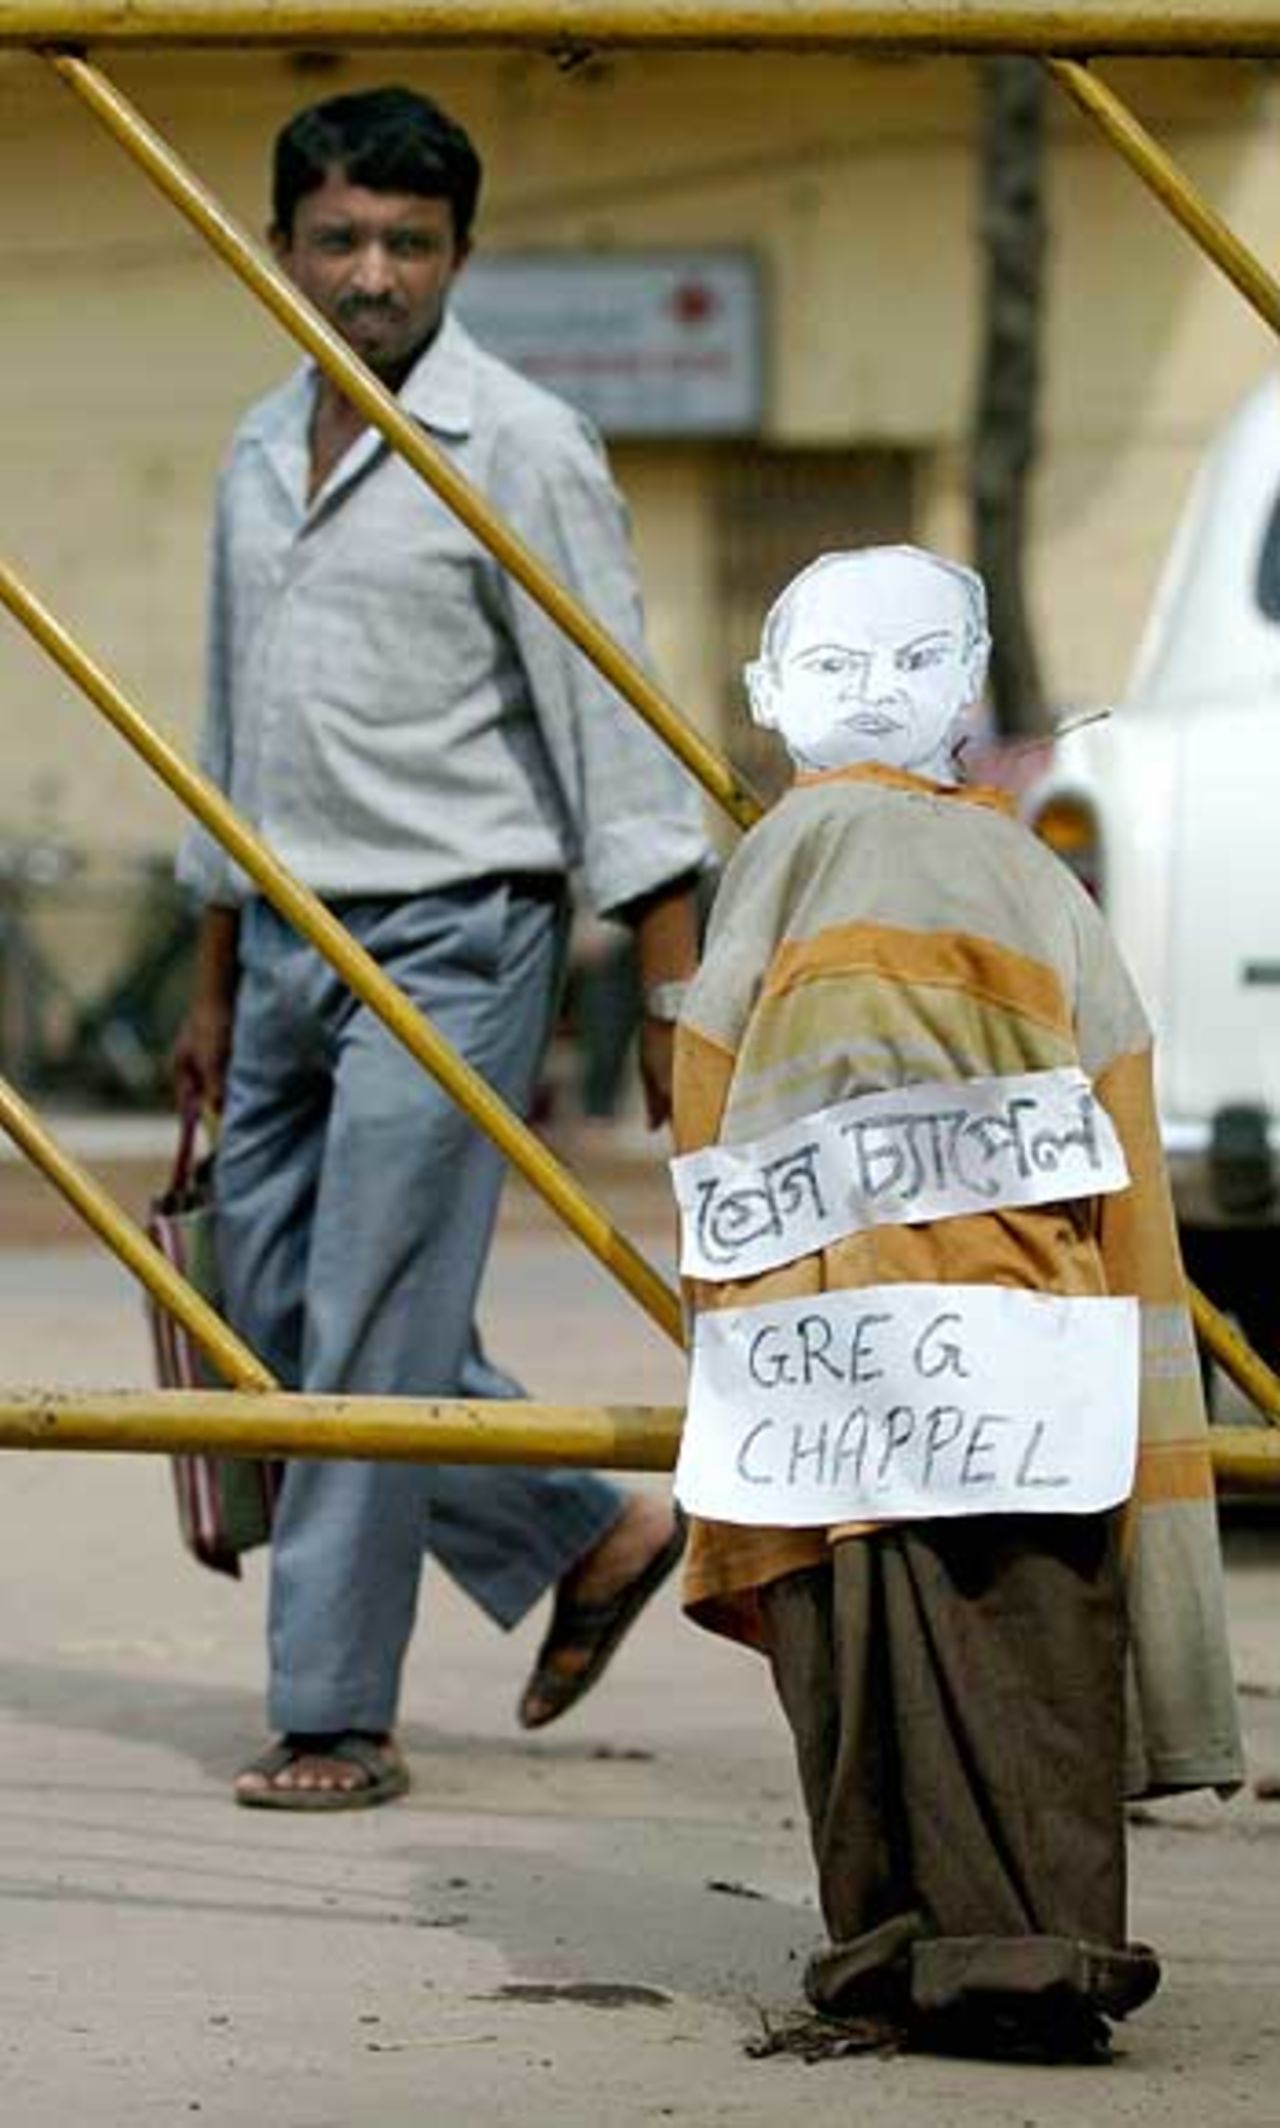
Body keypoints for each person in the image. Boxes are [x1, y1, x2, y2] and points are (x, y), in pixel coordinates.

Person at [173, 84, 709, 1809]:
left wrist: (668, 979)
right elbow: (225, 722)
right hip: (279, 936)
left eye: (409, 244)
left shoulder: (525, 445)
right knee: (254, 1295)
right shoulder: (262, 447)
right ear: (282, 249)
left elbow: (610, 719)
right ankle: (590, 1527)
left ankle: (333, 1712)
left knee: (376, 1312)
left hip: (459, 931)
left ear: (461, 256)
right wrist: (207, 975)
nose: (371, 275)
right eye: (339, 239)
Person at [669, 545, 1243, 2060]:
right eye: (837, 667)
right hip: (1016, 1345)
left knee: (865, 1642)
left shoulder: (797, 850)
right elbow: (1126, 1165)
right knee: (1015, 1634)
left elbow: (707, 1095)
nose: (871, 696)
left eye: (907, 662)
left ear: (963, 691)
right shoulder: (1024, 871)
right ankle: (1030, 1951)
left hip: (855, 1359)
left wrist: (735, 1302)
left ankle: (899, 1944)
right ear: (773, 695)